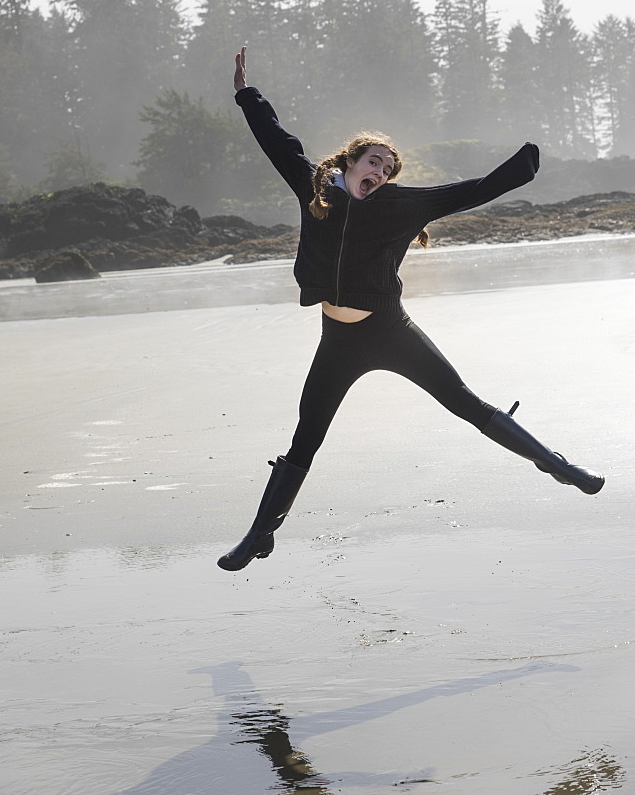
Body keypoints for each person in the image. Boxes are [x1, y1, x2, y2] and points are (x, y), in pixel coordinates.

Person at [218, 46, 604, 572]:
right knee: (305, 437)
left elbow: (473, 191)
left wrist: (524, 165)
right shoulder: (314, 188)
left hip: (389, 331)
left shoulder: (401, 205)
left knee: (462, 401)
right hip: (338, 340)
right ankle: (258, 537)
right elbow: (275, 139)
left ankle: (559, 465)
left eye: (387, 166)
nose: (380, 169)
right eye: (373, 159)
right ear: (349, 161)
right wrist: (246, 93)